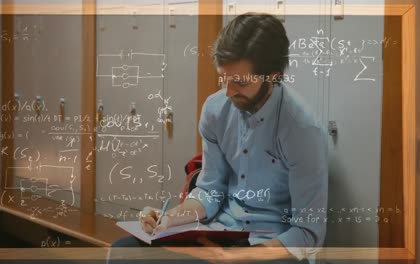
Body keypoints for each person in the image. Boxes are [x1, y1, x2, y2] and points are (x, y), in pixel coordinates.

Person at [108, 12, 328, 264]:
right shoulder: (215, 110)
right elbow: (210, 191)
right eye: (224, 79)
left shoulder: (302, 129)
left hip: (270, 245)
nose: (230, 92)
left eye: (241, 83)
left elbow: (309, 233)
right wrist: (169, 219)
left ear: (273, 76)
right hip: (222, 232)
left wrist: (237, 257)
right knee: (125, 250)